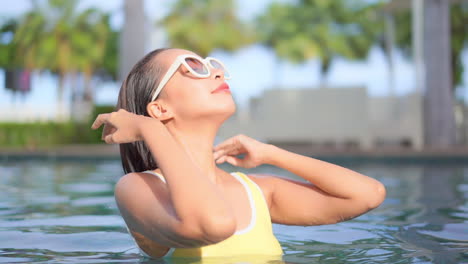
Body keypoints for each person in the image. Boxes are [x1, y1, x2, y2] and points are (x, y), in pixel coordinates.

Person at [90, 48, 386, 259]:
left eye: (212, 64)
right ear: (160, 109)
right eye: (193, 66)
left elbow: (368, 194)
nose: (217, 72)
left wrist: (272, 154)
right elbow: (213, 224)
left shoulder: (257, 191)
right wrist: (151, 131)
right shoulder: (138, 188)